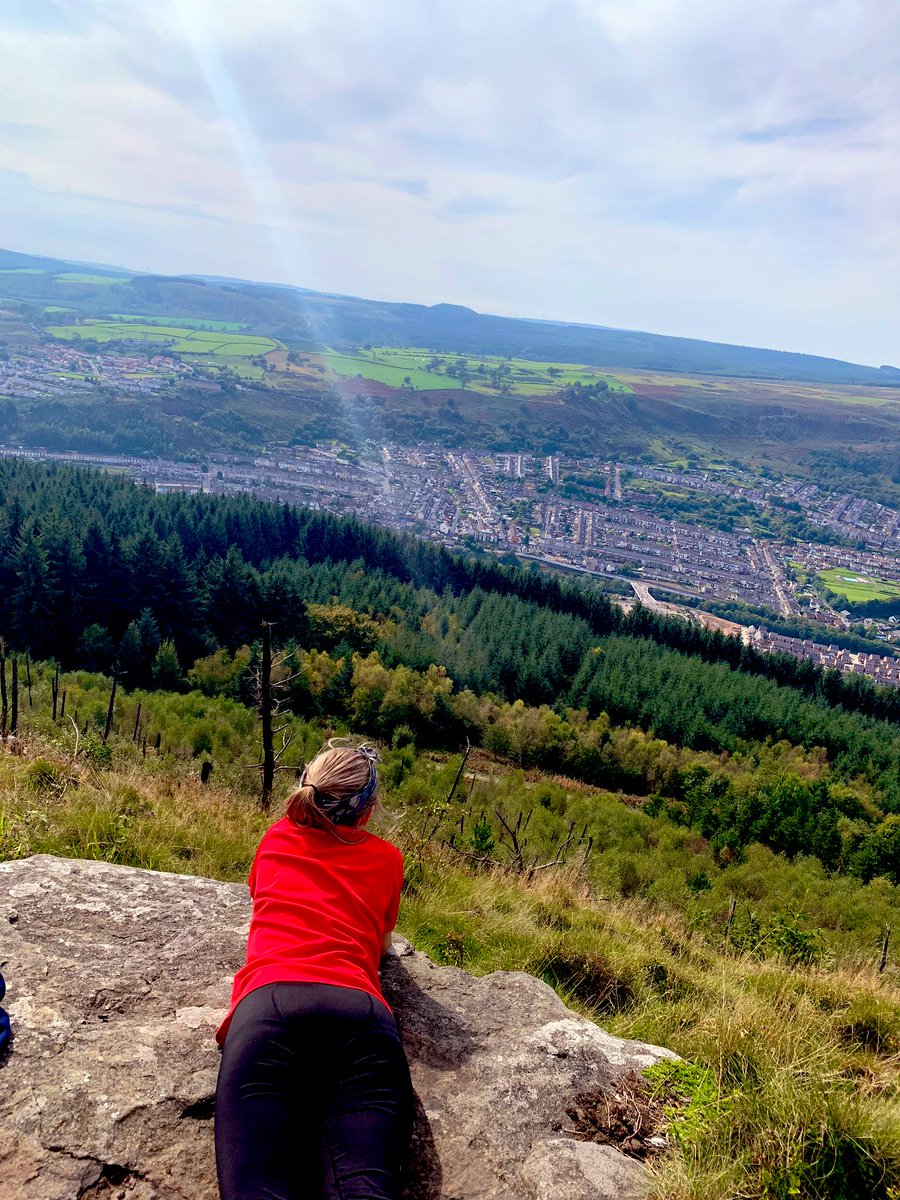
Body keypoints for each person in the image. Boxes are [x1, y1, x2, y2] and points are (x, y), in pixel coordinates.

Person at [214, 740, 412, 1200]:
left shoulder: (275, 838)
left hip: (269, 1008)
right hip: (361, 1014)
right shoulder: (387, 859)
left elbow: (261, 897)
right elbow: (382, 948)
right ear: (367, 812)